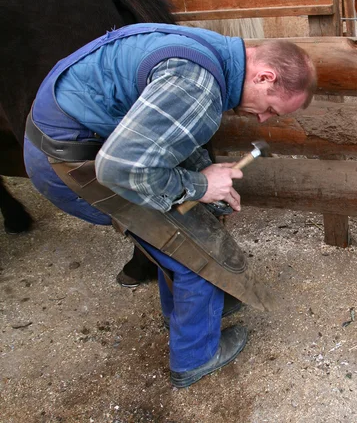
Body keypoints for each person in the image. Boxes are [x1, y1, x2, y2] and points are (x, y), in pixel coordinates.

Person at [23, 23, 317, 388]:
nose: (263, 119)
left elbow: (162, 125)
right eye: (271, 108)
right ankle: (195, 356)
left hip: (75, 135)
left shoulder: (217, 53)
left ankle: (183, 313)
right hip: (68, 160)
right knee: (192, 248)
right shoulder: (199, 86)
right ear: (264, 76)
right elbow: (118, 167)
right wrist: (198, 184)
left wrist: (201, 176)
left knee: (180, 223)